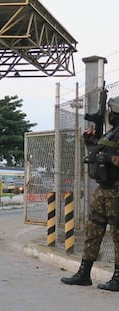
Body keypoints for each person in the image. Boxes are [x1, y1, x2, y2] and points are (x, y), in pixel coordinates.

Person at [61, 96, 119, 292]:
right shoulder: (112, 133)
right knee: (92, 231)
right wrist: (91, 142)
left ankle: (118, 278)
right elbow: (95, 156)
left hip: (117, 191)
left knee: (118, 235)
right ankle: (84, 273)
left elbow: (109, 158)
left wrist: (110, 159)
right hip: (103, 190)